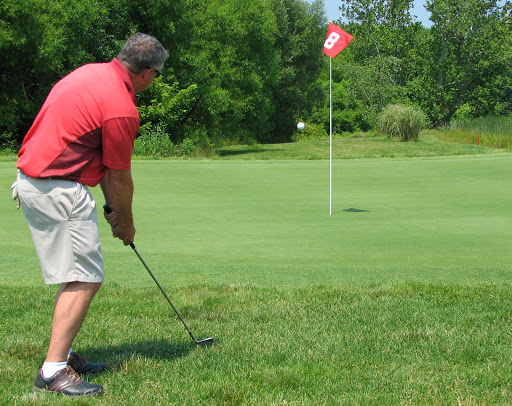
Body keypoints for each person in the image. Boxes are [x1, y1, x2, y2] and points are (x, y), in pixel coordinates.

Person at [13, 32, 168, 396]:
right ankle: (52, 373)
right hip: (58, 188)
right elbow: (119, 176)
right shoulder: (122, 107)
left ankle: (63, 355)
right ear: (147, 73)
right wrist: (127, 224)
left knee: (76, 274)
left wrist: (113, 210)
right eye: (157, 76)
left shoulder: (90, 73)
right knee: (85, 276)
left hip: (35, 181)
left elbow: (96, 160)